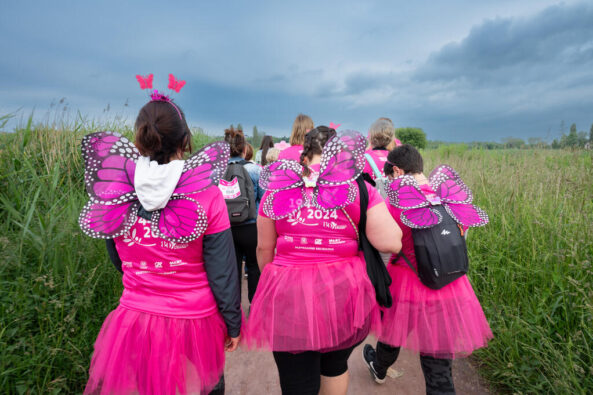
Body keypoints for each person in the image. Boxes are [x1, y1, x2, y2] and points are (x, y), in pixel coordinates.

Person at [81, 96, 241, 395]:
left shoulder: (116, 193)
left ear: (140, 139)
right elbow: (222, 271)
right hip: (197, 320)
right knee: (207, 387)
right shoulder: (207, 194)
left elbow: (118, 259)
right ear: (185, 139)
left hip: (137, 319)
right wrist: (232, 322)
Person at [245, 126, 402, 395]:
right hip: (343, 295)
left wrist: (276, 280)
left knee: (296, 377)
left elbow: (263, 248)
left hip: (289, 294)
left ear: (304, 158)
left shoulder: (279, 188)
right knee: (334, 365)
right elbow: (391, 242)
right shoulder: (359, 188)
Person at [363, 144, 493, 395]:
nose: (389, 181)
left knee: (393, 330)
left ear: (397, 171)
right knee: (438, 370)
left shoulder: (398, 201)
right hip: (450, 284)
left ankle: (379, 366)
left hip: (408, 282)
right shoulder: (449, 197)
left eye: (389, 175)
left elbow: (388, 243)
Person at [224, 127, 263, 303]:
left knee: (232, 271)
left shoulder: (217, 172)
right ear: (244, 149)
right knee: (254, 267)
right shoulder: (256, 171)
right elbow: (263, 200)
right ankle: (254, 309)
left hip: (226, 228)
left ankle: (235, 315)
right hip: (251, 226)